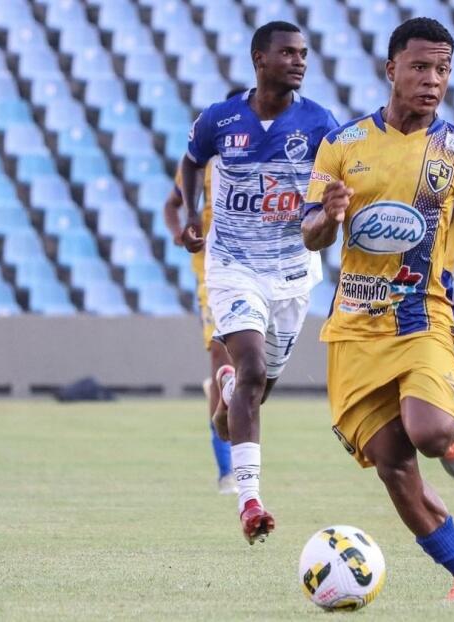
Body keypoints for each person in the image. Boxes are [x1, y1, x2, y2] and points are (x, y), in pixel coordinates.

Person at [301, 18, 454, 600]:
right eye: (420, 67)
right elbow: (311, 233)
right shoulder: (342, 146)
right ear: (390, 68)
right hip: (353, 329)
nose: (432, 80)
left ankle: (452, 434)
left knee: (428, 429)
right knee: (393, 465)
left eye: (442, 70)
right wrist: (328, 215)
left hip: (424, 317)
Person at [180, 21, 338, 544]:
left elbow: (332, 193)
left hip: (292, 275)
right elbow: (190, 162)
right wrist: (192, 211)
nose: (299, 61)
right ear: (259, 59)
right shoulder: (220, 120)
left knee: (247, 398)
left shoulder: (320, 124)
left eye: (304, 54)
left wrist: (332, 214)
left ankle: (226, 390)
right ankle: (250, 501)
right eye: (287, 53)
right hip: (233, 267)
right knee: (249, 367)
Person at [163, 87, 245, 496]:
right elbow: (172, 204)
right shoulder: (204, 161)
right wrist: (181, 232)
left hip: (255, 271)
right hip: (211, 275)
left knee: (251, 370)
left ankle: (242, 463)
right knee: (221, 356)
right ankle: (227, 470)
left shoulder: (265, 159)